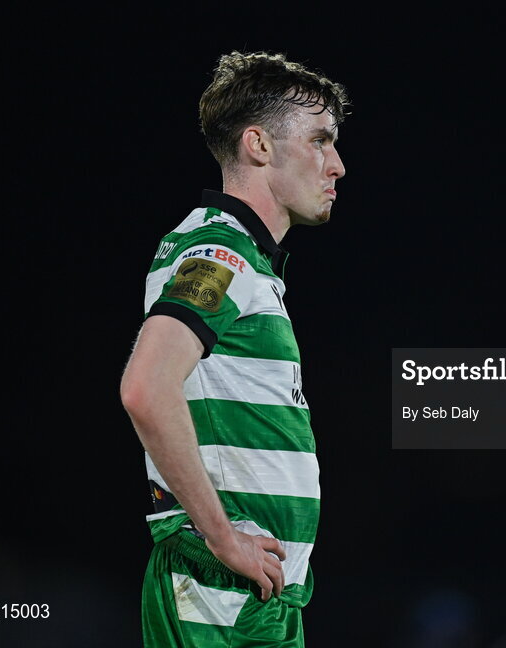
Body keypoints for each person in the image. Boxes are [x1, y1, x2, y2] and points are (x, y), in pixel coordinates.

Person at [120, 50, 348, 647]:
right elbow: (146, 388)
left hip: (253, 596)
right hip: (219, 594)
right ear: (259, 145)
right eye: (321, 141)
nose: (338, 165)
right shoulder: (218, 255)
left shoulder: (240, 260)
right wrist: (223, 541)